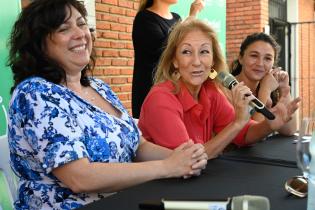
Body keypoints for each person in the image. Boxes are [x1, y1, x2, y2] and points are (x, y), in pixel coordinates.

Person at [7, 0, 208, 209]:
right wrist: (167, 167)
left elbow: (138, 146)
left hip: (126, 200)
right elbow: (80, 178)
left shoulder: (98, 87)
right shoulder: (35, 94)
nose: (80, 34)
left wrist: (184, 159)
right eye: (64, 28)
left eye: (81, 24)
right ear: (39, 43)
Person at [138, 19, 300, 159]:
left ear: (213, 60)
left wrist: (269, 125)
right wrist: (237, 123)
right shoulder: (161, 98)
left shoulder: (210, 91)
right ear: (175, 61)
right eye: (187, 52)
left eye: (204, 52)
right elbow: (187, 160)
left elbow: (244, 134)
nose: (196, 61)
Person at [131, 0, 204, 118]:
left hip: (176, 93)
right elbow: (165, 51)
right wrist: (192, 16)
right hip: (151, 95)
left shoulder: (176, 18)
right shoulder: (144, 18)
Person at [230, 32, 297, 136]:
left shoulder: (269, 86)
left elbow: (289, 130)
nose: (260, 63)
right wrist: (265, 91)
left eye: (267, 58)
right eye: (254, 56)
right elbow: (250, 135)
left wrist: (284, 90)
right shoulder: (228, 88)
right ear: (241, 59)